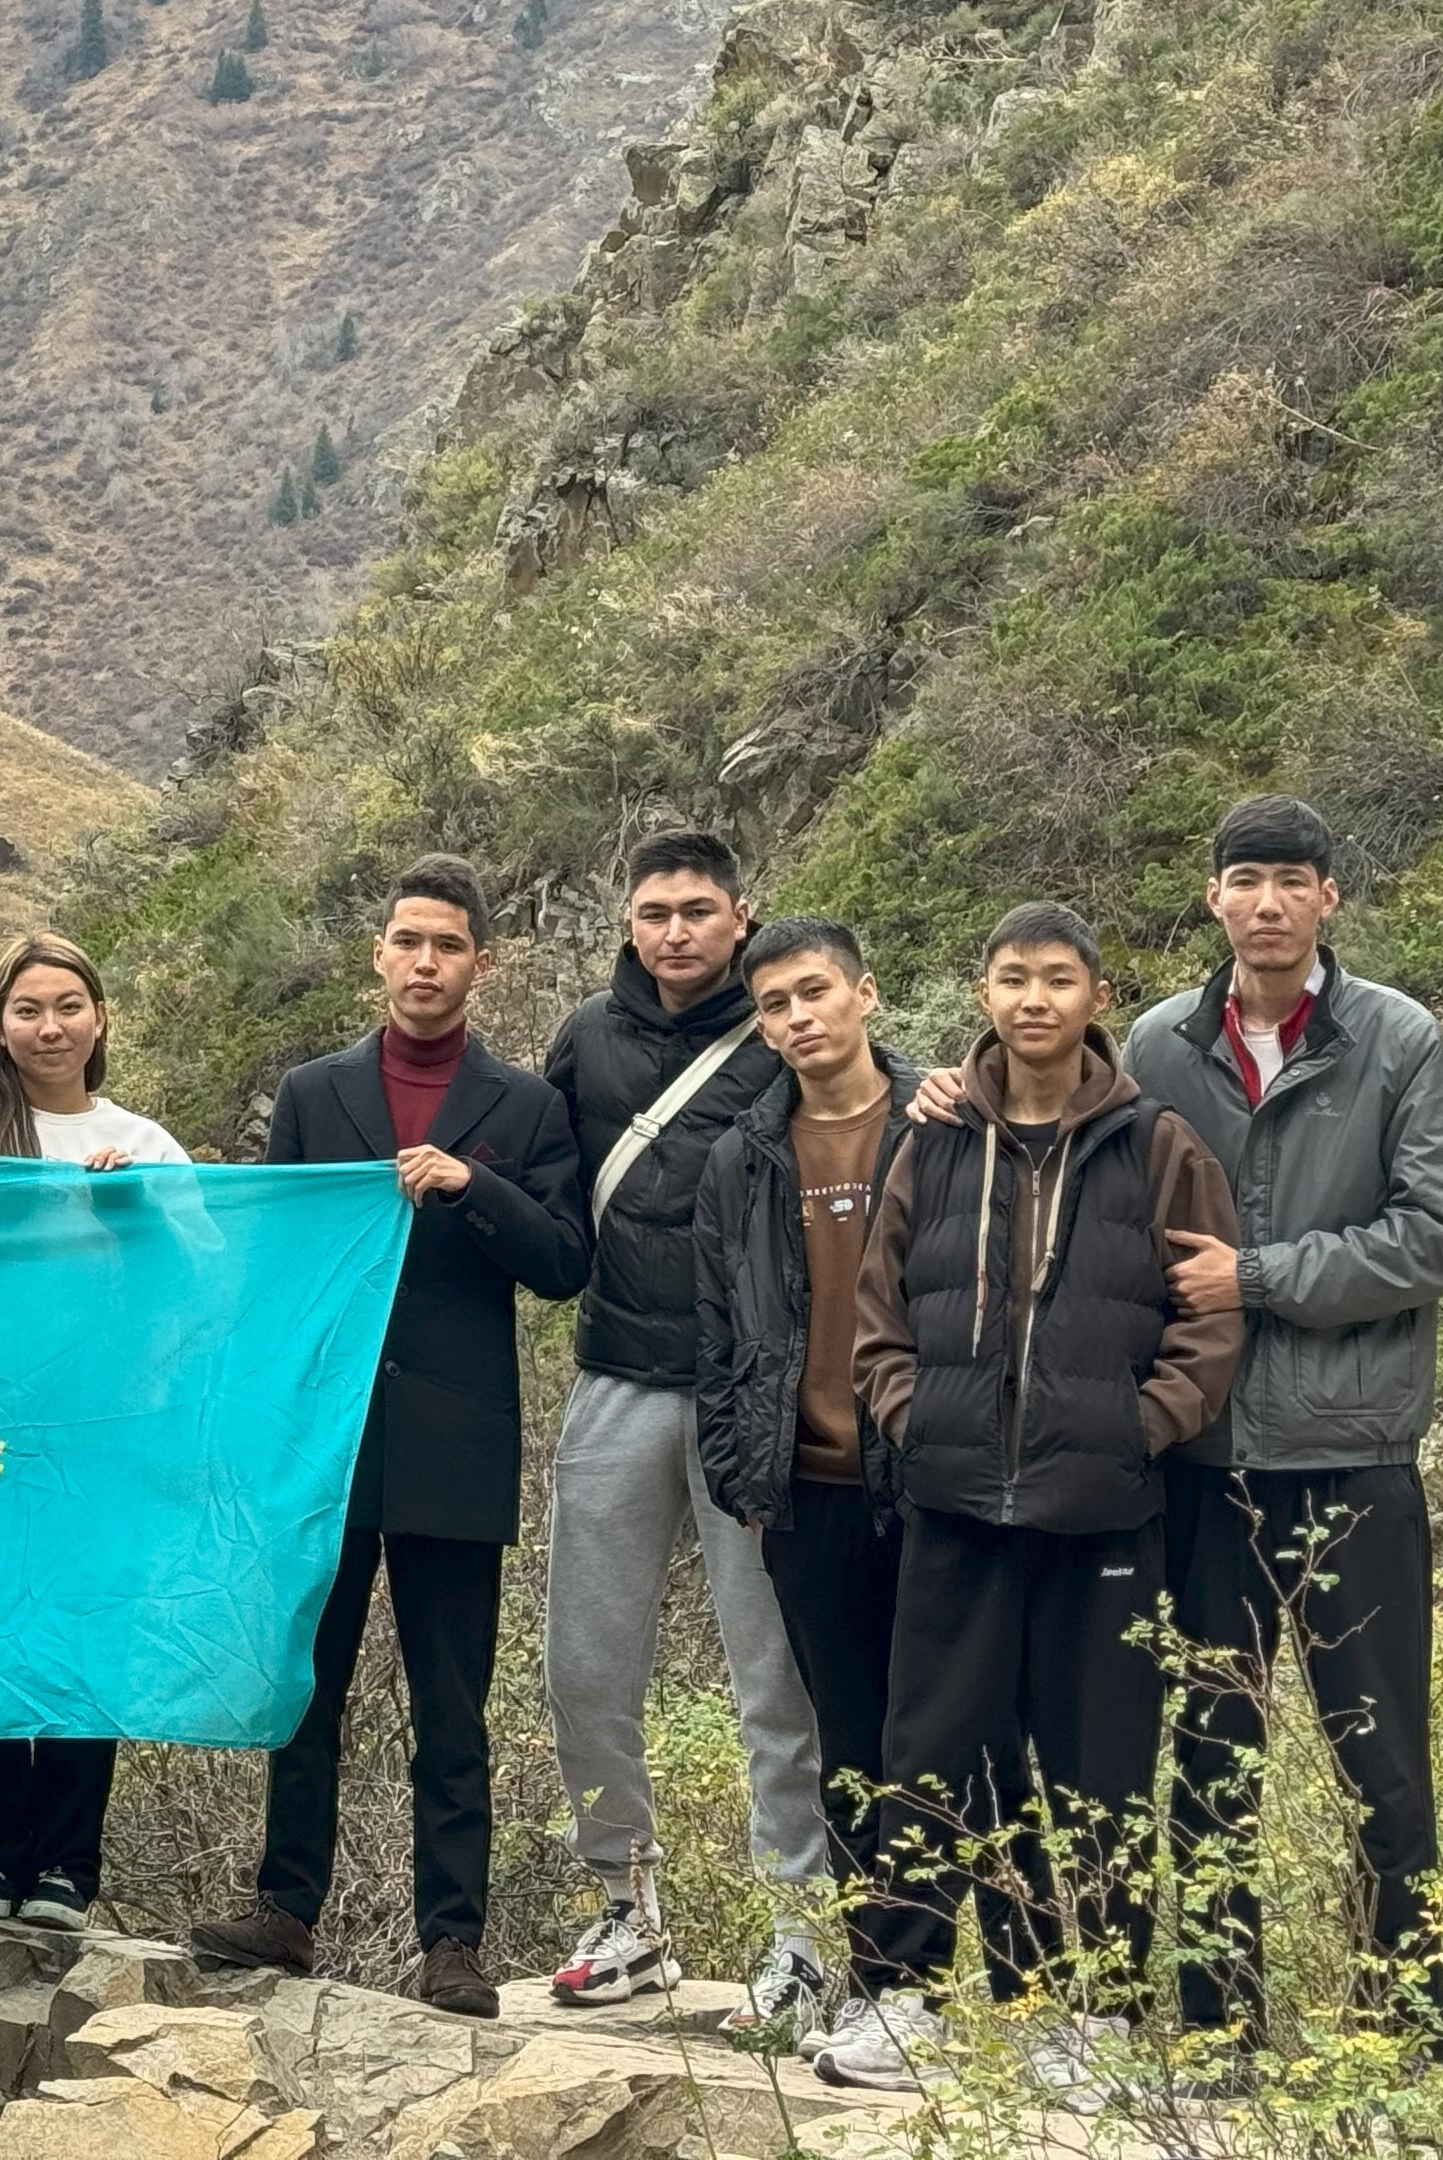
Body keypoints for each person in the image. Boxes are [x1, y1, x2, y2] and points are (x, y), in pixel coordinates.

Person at [818, 904, 1242, 2095]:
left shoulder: (1157, 1143)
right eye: (1013, 978)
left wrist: (1138, 1428)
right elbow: (880, 1303)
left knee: (1099, 1764)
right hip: (954, 1501)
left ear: (1097, 998)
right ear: (984, 993)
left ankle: (1097, 2018)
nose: (1036, 999)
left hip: (1100, 1513)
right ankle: (902, 2004)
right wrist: (912, 1412)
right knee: (927, 1754)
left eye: (1059, 979)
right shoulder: (937, 1136)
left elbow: (1210, 1321)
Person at [193, 856, 587, 2020]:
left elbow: (564, 1263)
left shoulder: (523, 1108)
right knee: (305, 1683)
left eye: (448, 946)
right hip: (325, 1434)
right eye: (407, 941)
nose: (425, 963)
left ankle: (452, 1941)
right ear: (379, 954)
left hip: (456, 1442)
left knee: (450, 1702)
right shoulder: (315, 1093)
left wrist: (476, 1188)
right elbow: (273, 1256)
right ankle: (286, 1909)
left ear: (481, 964)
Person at [1124, 798, 1443, 2044]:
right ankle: (1220, 2030)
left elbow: (1439, 1235)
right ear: (1212, 897)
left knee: (1382, 1758)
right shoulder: (1160, 1046)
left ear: (1329, 898)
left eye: (1290, 880)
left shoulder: (1397, 1039)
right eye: (1244, 879)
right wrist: (955, 1091)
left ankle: (1423, 2024)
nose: (1266, 901)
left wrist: (1259, 1275)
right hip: (1207, 1460)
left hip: (1355, 1455)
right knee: (1211, 1754)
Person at [535, 831, 825, 2029]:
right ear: (627, 919)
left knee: (774, 1672)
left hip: (753, 1390)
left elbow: (882, 1098)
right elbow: (532, 1173)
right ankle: (627, 1909)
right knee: (586, 1663)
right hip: (617, 1378)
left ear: (740, 913)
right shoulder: (585, 1042)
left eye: (699, 910)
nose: (675, 932)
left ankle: (805, 1934)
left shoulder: (784, 1025)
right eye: (654, 912)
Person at [0, 934, 190, 1934]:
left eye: (66, 1006)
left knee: (84, 1636)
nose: (48, 1027)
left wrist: (134, 1214)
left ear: (99, 1018)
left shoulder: (141, 1143)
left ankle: (66, 1863)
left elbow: (202, 1285)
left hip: (105, 1430)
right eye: (27, 1010)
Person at [691, 918, 935, 2071]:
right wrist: (743, 1470)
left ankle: (965, 1981)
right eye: (776, 1003)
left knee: (941, 1727)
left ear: (865, 993)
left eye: (815, 992)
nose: (798, 1018)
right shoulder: (745, 1153)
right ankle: (883, 1983)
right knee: (845, 1739)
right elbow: (719, 1329)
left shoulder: (943, 1124)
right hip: (808, 1486)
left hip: (933, 1480)